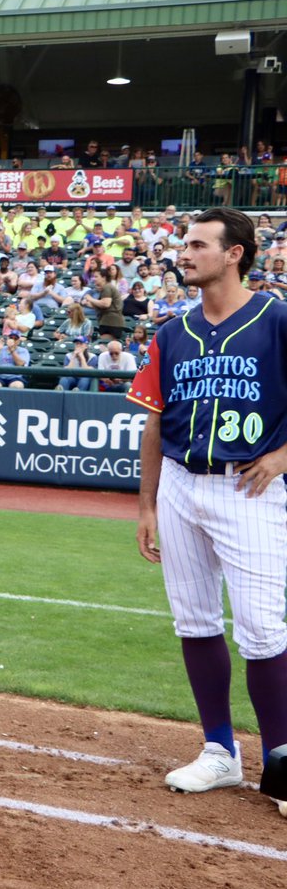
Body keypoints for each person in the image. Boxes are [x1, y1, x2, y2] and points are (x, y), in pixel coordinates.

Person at [131, 207, 287, 812]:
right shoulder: (173, 332)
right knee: (194, 621)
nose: (184, 252)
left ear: (235, 253)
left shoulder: (276, 318)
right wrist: (146, 504)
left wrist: (282, 457)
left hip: (247, 486)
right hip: (179, 482)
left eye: (198, 244)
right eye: (184, 243)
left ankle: (281, 759)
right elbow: (153, 422)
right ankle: (220, 751)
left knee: (263, 631)